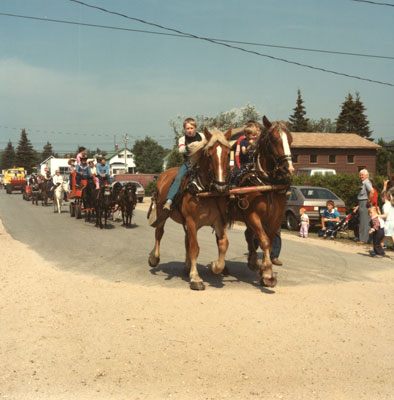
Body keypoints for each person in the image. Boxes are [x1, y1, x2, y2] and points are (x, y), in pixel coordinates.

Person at [163, 118, 205, 210]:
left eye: (191, 128)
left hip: (201, 162)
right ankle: (169, 200)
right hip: (189, 163)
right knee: (178, 177)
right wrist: (188, 147)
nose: (190, 130)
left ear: (195, 128)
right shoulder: (183, 139)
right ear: (184, 129)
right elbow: (181, 150)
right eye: (187, 128)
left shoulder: (201, 136)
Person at [353, 169, 374, 244]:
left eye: (362, 174)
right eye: (360, 174)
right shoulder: (363, 183)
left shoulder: (366, 182)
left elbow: (372, 191)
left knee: (364, 222)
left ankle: (363, 240)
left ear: (367, 175)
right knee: (363, 221)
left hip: (365, 202)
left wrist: (369, 201)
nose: (360, 176)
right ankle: (367, 239)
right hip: (362, 203)